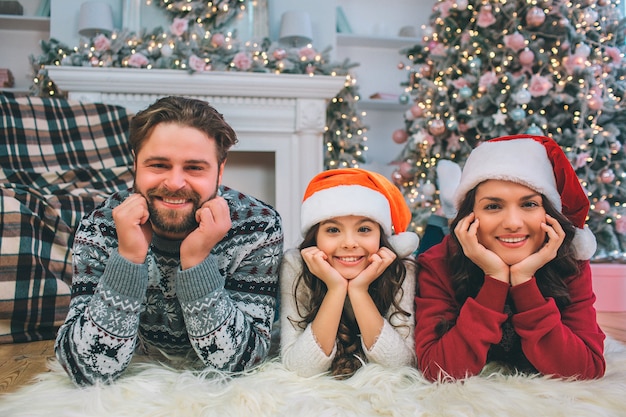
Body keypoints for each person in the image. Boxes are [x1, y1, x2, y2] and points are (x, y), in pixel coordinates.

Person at [55, 96, 284, 386]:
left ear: (220, 169)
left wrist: (197, 261)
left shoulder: (257, 226)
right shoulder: (101, 225)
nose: (175, 183)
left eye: (194, 168)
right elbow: (85, 370)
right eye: (159, 165)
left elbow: (240, 363)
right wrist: (127, 258)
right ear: (135, 163)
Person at [414, 134, 606, 381]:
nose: (513, 223)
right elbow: (437, 370)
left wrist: (524, 282)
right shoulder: (438, 262)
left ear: (548, 213)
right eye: (493, 206)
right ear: (469, 216)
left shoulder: (570, 259)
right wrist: (495, 280)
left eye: (528, 205)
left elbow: (586, 369)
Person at [280, 168, 420, 378]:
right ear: (315, 236)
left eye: (364, 229)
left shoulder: (401, 268)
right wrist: (336, 289)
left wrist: (359, 291)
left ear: (380, 236)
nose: (349, 243)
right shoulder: (297, 265)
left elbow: (400, 365)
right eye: (333, 230)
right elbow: (298, 368)